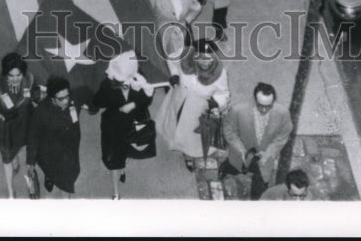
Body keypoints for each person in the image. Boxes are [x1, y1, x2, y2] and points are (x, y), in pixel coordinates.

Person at [157, 39, 230, 171]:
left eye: (209, 58)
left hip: (198, 109)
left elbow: (224, 93)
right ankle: (183, 150)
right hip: (179, 100)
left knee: (191, 134)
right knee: (176, 125)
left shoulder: (219, 73)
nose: (205, 62)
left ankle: (189, 153)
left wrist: (217, 102)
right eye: (201, 58)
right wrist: (174, 74)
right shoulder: (185, 56)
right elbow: (170, 59)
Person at [91, 52, 154, 199]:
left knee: (128, 151)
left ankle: (123, 167)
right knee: (115, 161)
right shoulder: (107, 84)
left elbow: (148, 98)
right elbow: (97, 102)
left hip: (133, 123)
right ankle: (116, 193)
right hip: (113, 126)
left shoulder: (140, 80)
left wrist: (134, 103)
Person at [0, 53, 40, 198]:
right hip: (4, 127)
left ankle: (16, 158)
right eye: (11, 76)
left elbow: (35, 92)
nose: (15, 79)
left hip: (23, 122)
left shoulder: (29, 79)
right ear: (5, 74)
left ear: (23, 73)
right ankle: (10, 191)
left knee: (20, 145)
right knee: (6, 158)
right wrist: (2, 117)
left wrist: (36, 98)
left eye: (18, 75)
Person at [222, 82, 293, 199]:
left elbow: (283, 135)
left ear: (274, 101)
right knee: (235, 168)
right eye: (261, 105)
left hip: (264, 161)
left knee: (260, 192)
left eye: (269, 106)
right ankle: (227, 168)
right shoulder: (237, 110)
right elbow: (229, 131)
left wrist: (269, 152)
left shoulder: (283, 113)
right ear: (254, 100)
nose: (264, 110)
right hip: (241, 155)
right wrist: (241, 149)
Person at [26, 75, 81, 197]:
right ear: (52, 99)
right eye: (61, 99)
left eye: (67, 96)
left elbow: (86, 91)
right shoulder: (41, 112)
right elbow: (33, 136)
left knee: (72, 173)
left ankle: (50, 176)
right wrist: (30, 162)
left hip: (70, 150)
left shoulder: (73, 99)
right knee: (66, 185)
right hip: (51, 152)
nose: (66, 101)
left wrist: (93, 107)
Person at [148, 0, 204, 76]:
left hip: (181, 31)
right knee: (165, 57)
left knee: (183, 56)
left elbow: (197, 8)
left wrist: (187, 20)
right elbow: (149, 12)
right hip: (163, 33)